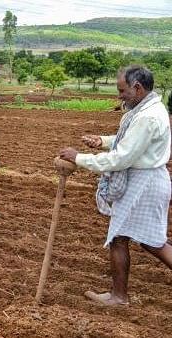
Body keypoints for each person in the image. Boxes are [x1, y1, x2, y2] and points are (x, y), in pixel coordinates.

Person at [60, 65, 172, 306]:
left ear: (137, 88)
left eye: (122, 90)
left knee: (148, 242)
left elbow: (122, 157)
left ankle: (119, 297)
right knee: (128, 238)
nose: (119, 95)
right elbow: (127, 141)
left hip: (144, 184)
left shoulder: (147, 117)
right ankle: (118, 295)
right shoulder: (146, 110)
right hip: (146, 181)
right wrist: (102, 141)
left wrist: (79, 158)